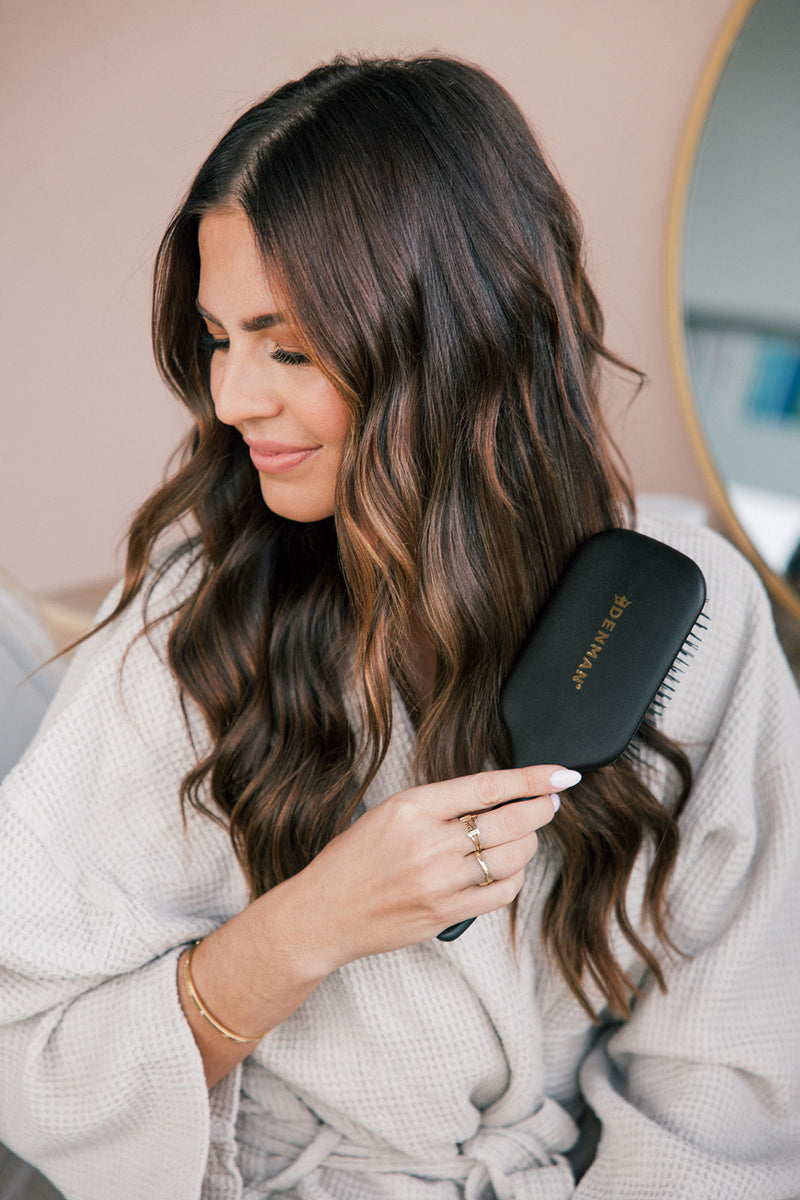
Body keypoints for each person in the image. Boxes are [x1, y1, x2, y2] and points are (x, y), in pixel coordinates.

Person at [1, 54, 798, 1200]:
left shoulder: (686, 619)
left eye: (286, 346)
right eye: (219, 340)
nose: (231, 400)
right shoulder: (198, 620)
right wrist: (306, 926)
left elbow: (729, 1087)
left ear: (448, 339)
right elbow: (22, 1042)